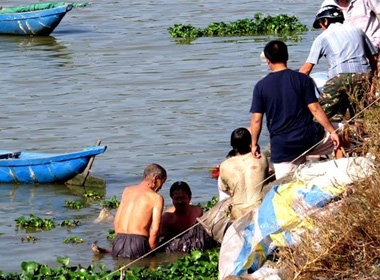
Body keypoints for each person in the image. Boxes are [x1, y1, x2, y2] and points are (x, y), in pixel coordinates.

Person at [250, 40, 340, 180]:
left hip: (282, 147)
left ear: (267, 60)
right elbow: (315, 109)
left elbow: (257, 120)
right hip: (309, 138)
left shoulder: (260, 87)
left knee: (287, 186)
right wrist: (332, 131)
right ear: (287, 56)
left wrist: (254, 144)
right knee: (345, 132)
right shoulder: (302, 79)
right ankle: (340, 171)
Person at [299, 5, 378, 122]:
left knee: (321, 117)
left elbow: (306, 70)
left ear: (325, 21)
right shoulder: (358, 31)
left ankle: (328, 134)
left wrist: (291, 85)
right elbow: (374, 58)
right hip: (363, 75)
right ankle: (358, 136)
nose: (321, 28)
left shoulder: (322, 38)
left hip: (339, 77)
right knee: (359, 114)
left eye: (320, 24)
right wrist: (372, 82)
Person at [110, 163, 167, 259]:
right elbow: (155, 230)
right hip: (138, 243)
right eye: (162, 182)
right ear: (155, 178)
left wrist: (122, 241)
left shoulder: (127, 191)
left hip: (118, 241)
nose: (161, 187)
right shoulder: (156, 198)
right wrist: (151, 250)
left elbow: (116, 222)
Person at [218, 127, 269, 221]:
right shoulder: (261, 158)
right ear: (250, 143)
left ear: (231, 144)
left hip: (238, 213)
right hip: (259, 209)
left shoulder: (224, 165)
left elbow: (226, 190)